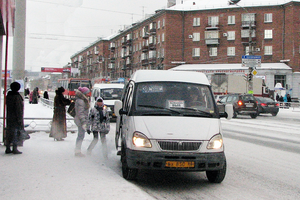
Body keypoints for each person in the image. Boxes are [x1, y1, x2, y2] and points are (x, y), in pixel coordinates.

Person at [5, 82, 24, 154]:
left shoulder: (9, 95)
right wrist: (19, 119)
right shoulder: (17, 97)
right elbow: (18, 109)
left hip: (9, 117)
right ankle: (14, 148)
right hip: (16, 118)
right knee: (15, 133)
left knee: (9, 132)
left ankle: (8, 147)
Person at [74, 87, 90, 157]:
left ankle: (78, 150)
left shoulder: (80, 100)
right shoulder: (81, 101)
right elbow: (80, 113)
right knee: (80, 136)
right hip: (81, 121)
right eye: (87, 93)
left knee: (81, 135)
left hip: (80, 120)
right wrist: (83, 122)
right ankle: (77, 151)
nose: (88, 94)